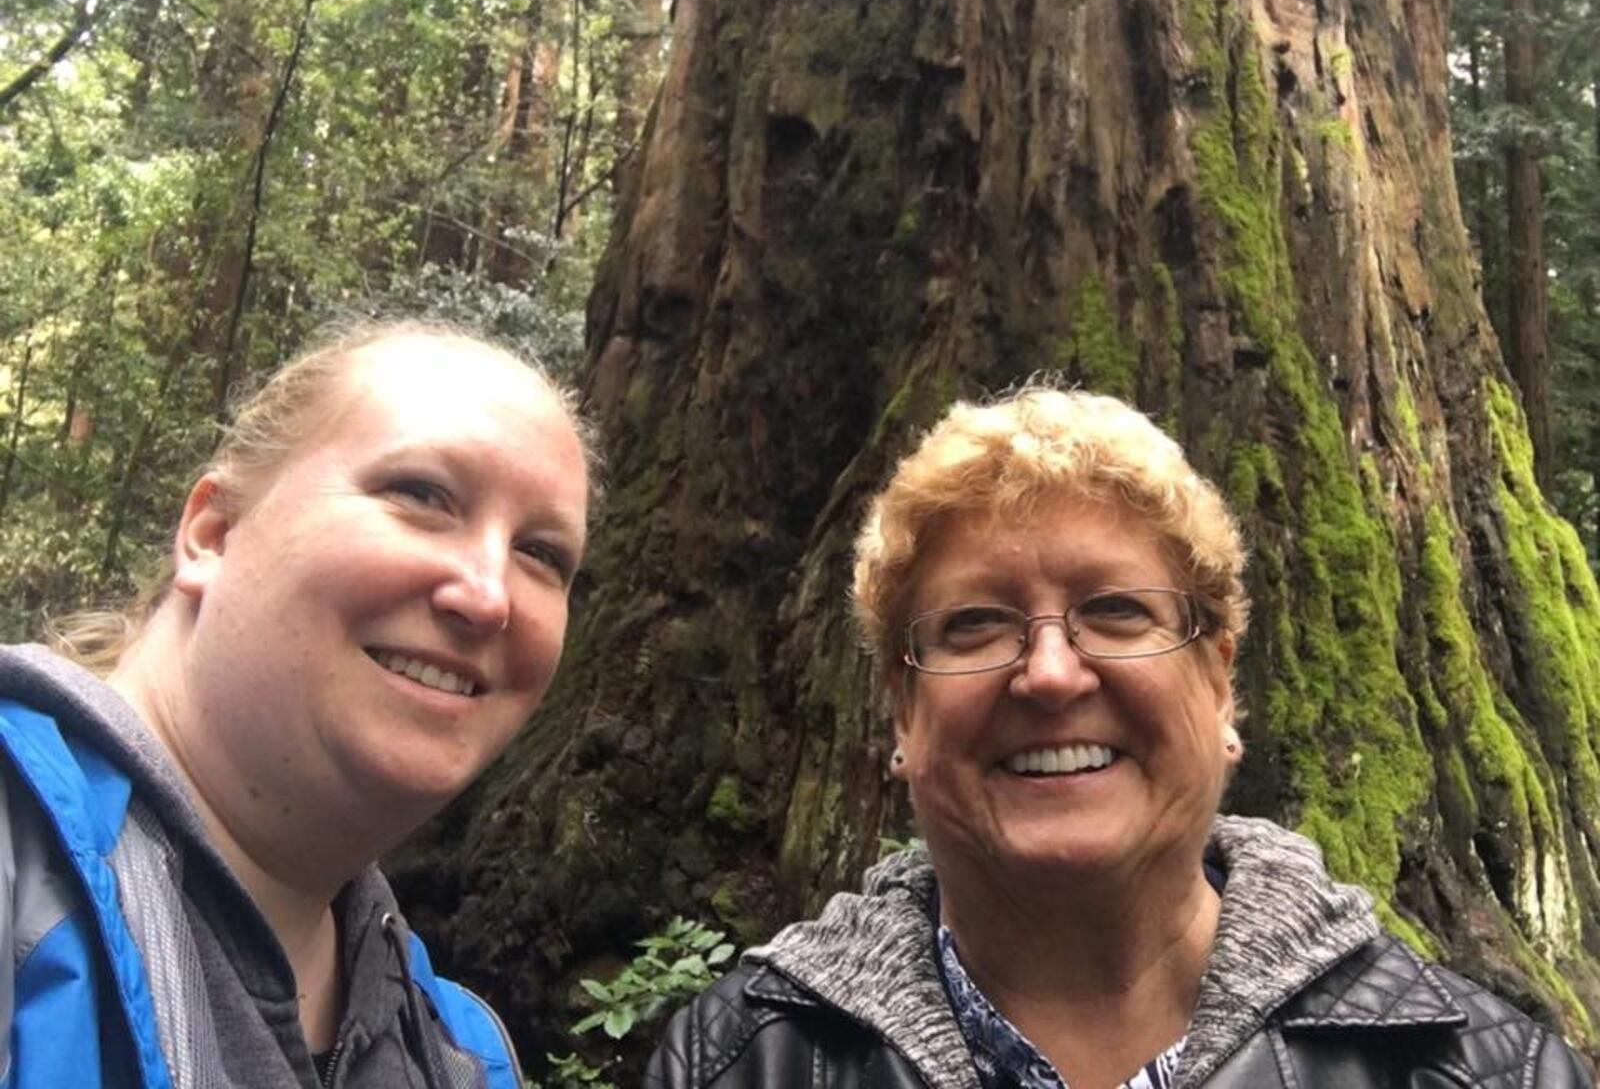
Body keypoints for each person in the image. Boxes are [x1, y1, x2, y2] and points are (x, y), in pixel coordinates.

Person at [646, 385, 1592, 1088]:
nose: (1051, 674)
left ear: (1219, 684)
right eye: (976, 623)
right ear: (903, 712)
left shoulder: (1478, 1068)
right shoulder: (732, 1064)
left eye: (1114, 611)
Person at [0, 320, 592, 1088]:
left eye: (541, 553)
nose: (488, 596)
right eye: (421, 494)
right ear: (212, 533)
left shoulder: (461, 1055)